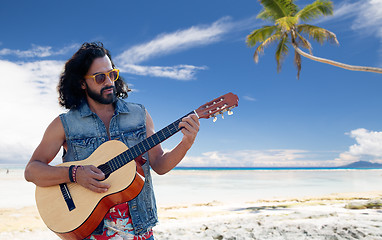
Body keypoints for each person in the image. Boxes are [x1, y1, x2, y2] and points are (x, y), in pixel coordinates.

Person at [24, 42, 200, 240]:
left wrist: (186, 143)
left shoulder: (138, 115)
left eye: (112, 74)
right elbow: (32, 171)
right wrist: (75, 174)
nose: (109, 82)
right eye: (100, 78)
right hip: (90, 232)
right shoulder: (65, 124)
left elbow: (159, 164)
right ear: (82, 83)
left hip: (140, 230)